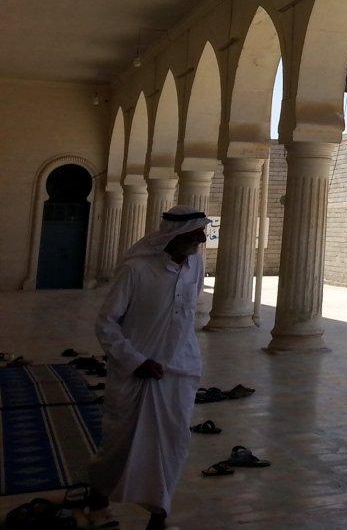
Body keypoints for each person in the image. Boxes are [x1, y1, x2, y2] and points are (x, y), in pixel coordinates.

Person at [87, 205, 210, 530]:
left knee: (172, 442)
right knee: (120, 442)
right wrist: (136, 360)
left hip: (179, 371)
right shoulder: (137, 270)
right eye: (196, 233)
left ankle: (159, 513)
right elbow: (107, 322)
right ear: (174, 235)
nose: (201, 239)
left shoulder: (194, 263)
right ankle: (97, 496)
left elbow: (190, 304)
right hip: (136, 372)